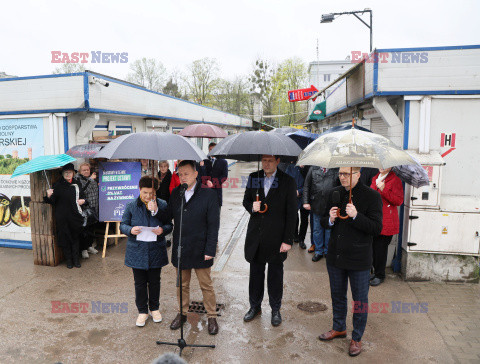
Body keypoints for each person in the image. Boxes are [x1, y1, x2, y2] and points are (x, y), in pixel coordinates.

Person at [318, 167, 382, 357]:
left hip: (359, 259)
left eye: (347, 174)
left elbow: (376, 228)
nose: (343, 177)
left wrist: (356, 216)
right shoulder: (334, 193)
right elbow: (321, 219)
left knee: (360, 301)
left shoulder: (372, 197)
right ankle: (339, 327)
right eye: (340, 173)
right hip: (336, 257)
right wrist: (329, 219)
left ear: (358, 174)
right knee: (337, 295)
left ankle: (357, 337)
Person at [164, 160, 220, 335]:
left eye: (186, 173)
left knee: (206, 284)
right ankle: (182, 313)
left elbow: (213, 225)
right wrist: (154, 207)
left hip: (201, 248)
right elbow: (167, 217)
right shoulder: (176, 193)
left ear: (196, 174)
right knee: (182, 284)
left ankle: (211, 316)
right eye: (180, 174)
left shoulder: (208, 194)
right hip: (181, 247)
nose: (182, 177)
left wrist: (210, 250)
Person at [242, 155, 297, 327]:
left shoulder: (287, 181)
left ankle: (275, 309)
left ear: (278, 161)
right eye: (264, 160)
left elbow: (291, 213)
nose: (266, 164)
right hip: (256, 236)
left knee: (275, 275)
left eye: (270, 160)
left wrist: (288, 240)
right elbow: (246, 200)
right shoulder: (254, 178)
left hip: (276, 237)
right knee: (256, 274)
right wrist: (252, 207)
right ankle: (255, 306)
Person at [120, 176, 173, 327]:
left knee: (155, 282)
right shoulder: (131, 206)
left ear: (155, 191)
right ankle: (142, 311)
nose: (148, 196)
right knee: (140, 283)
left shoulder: (162, 204)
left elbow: (169, 224)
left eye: (151, 192)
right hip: (137, 250)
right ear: (139, 190)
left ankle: (155, 308)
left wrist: (163, 229)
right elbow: (122, 225)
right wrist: (130, 229)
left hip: (156, 250)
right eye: (144, 192)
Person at [45, 163, 86, 269]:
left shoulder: (77, 184)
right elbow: (53, 202)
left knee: (75, 239)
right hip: (62, 217)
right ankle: (69, 261)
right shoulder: (57, 185)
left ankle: (76, 260)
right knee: (65, 239)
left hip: (75, 216)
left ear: (73, 173)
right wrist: (49, 196)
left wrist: (83, 201)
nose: (68, 174)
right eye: (66, 172)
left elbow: (83, 197)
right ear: (63, 174)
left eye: (70, 172)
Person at [370, 168, 404, 286]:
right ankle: (375, 272)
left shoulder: (395, 180)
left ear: (391, 166)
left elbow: (398, 201)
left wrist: (384, 189)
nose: (382, 166)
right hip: (374, 219)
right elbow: (371, 195)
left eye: (386, 164)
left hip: (386, 221)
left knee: (380, 250)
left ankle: (380, 275)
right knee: (373, 248)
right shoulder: (375, 178)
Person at [303, 166, 339, 261]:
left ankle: (328, 251)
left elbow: (340, 187)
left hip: (331, 205)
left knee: (329, 230)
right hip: (316, 204)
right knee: (317, 229)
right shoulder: (313, 169)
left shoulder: (336, 170)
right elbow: (307, 185)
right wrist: (305, 201)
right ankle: (318, 251)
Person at [76, 162, 99, 258]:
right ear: (80, 171)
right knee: (84, 230)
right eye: (84, 170)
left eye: (87, 169)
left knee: (91, 229)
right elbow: (84, 191)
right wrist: (90, 180)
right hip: (85, 209)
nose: (86, 171)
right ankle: (83, 249)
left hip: (94, 208)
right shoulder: (78, 179)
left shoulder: (91, 179)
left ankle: (89, 246)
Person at [203, 142, 229, 208]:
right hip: (206, 190)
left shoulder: (223, 162)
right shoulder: (204, 161)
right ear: (208, 150)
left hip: (217, 191)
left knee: (216, 212)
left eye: (214, 149)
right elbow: (202, 174)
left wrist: (214, 183)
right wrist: (206, 181)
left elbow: (224, 176)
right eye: (210, 149)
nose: (212, 151)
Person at [284, 162, 304, 246]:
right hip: (293, 197)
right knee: (294, 215)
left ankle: (301, 239)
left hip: (304, 196)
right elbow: (285, 181)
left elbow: (310, 183)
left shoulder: (307, 168)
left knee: (304, 218)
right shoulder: (290, 167)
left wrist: (299, 191)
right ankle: (294, 234)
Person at [157, 160, 173, 247]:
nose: (163, 168)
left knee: (167, 220)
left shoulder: (170, 176)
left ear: (167, 167)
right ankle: (160, 237)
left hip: (167, 201)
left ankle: (168, 238)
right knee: (159, 219)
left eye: (165, 166)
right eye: (161, 166)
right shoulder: (156, 175)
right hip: (158, 201)